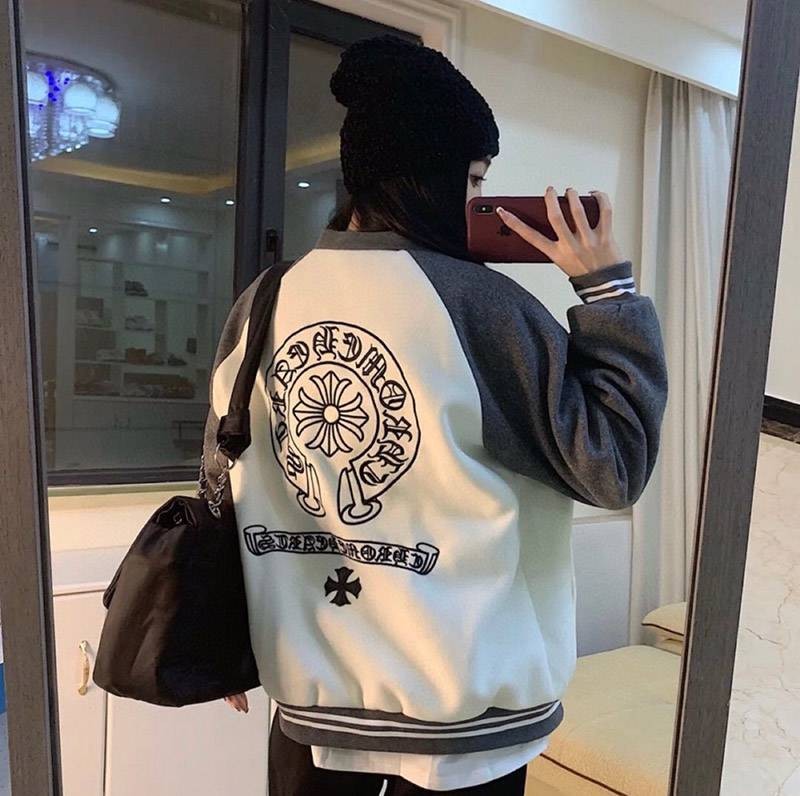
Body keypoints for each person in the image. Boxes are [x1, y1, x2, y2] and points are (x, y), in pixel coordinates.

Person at [205, 34, 667, 795]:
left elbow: (225, 473)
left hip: (314, 704)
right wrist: (609, 292)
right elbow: (612, 467)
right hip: (465, 718)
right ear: (426, 175)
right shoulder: (480, 305)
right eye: (474, 179)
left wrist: (225, 630)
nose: (480, 201)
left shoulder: (267, 298)